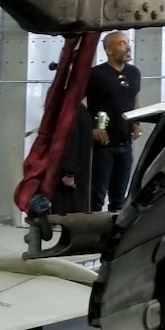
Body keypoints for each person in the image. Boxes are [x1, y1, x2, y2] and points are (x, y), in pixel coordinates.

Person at [63, 31, 144, 212]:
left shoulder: (134, 73)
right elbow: (73, 103)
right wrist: (90, 127)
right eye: (122, 43)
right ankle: (91, 234)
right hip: (102, 148)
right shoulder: (95, 75)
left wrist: (136, 122)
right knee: (96, 197)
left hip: (125, 144)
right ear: (109, 49)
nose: (127, 46)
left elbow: (134, 99)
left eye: (127, 42)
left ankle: (115, 234)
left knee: (119, 198)